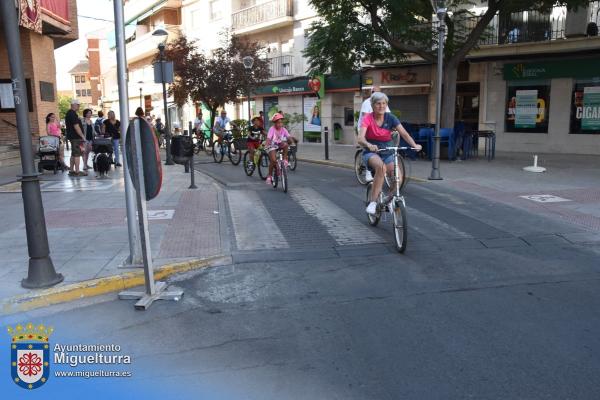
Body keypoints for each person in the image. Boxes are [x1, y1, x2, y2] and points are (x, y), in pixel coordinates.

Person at [357, 92, 421, 215]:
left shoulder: (391, 118)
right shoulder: (368, 118)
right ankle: (373, 202)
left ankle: (388, 199)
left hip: (387, 151)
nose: (381, 106)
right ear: (372, 105)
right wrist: (369, 144)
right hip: (371, 152)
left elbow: (404, 134)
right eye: (378, 104)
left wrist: (414, 145)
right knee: (381, 168)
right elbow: (360, 138)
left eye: (384, 103)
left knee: (398, 178)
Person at [358, 86, 391, 182]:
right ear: (371, 93)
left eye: (377, 92)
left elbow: (388, 115)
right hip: (365, 127)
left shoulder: (382, 101)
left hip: (378, 127)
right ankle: (368, 172)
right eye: (373, 92)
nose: (374, 94)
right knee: (369, 146)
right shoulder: (367, 102)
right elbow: (365, 118)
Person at [265, 113, 290, 185]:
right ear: (275, 123)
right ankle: (269, 175)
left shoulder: (283, 129)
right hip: (272, 145)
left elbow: (288, 137)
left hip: (279, 144)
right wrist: (267, 145)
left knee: (285, 145)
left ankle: (285, 160)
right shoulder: (271, 129)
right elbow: (269, 138)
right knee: (273, 160)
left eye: (281, 122)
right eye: (278, 122)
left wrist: (292, 142)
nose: (280, 124)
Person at [65, 99, 87, 176]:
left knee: (73, 154)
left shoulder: (69, 113)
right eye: (78, 105)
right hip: (76, 137)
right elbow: (76, 126)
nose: (79, 106)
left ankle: (71, 170)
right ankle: (77, 171)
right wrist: (82, 136)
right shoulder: (72, 114)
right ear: (73, 105)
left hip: (72, 137)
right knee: (77, 154)